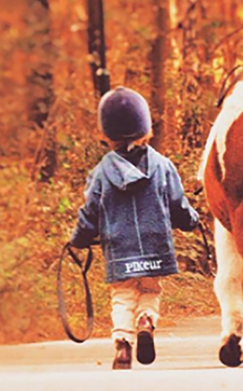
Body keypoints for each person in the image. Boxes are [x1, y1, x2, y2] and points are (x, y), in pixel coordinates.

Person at [69, 87, 199, 369]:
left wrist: (79, 239)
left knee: (122, 296)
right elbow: (178, 205)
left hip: (120, 249)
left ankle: (123, 344)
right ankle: (146, 321)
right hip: (155, 246)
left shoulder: (102, 172)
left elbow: (90, 212)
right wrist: (191, 221)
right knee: (150, 292)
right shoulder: (163, 166)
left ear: (105, 133)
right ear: (146, 129)